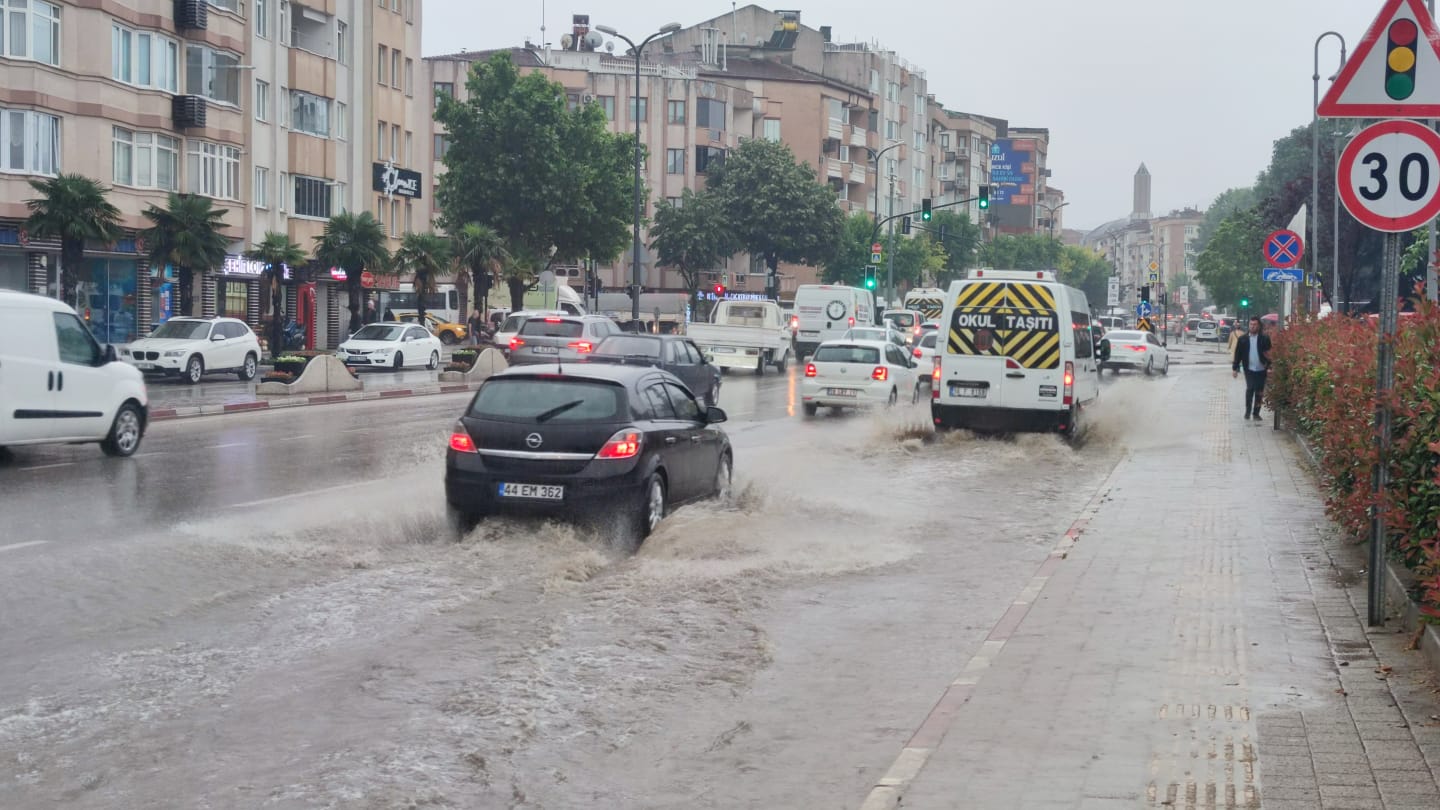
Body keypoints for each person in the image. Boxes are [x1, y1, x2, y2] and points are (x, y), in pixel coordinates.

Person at [1232, 316, 1272, 421]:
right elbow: (1238, 354)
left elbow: (1269, 354)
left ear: (1259, 326)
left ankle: (1256, 413)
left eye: (1255, 325)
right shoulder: (1243, 339)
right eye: (1251, 324)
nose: (1252, 326)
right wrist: (1235, 368)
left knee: (1259, 391)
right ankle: (1248, 411)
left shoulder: (1264, 339)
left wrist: (1269, 366)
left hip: (1261, 369)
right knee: (1250, 388)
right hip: (1249, 369)